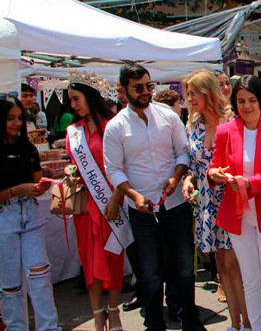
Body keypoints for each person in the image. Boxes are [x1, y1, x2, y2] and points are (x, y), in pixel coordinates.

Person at [103, 63, 204, 331]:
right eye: (139, 88)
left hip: (176, 205)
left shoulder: (168, 117)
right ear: (124, 90)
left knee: (183, 269)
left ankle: (190, 321)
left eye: (149, 86)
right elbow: (113, 168)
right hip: (143, 210)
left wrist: (175, 177)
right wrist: (134, 195)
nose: (146, 92)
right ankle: (155, 324)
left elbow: (183, 153)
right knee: (150, 274)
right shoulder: (115, 127)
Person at [208, 75, 261, 331]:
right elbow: (214, 166)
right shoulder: (225, 131)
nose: (246, 106)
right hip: (237, 215)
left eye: (252, 100)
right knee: (250, 279)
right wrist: (214, 175)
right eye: (241, 101)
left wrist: (248, 184)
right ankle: (255, 327)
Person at [179, 70, 248, 330]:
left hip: (230, 198)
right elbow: (194, 165)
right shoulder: (193, 124)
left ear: (208, 92)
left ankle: (249, 323)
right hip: (207, 202)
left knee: (234, 265)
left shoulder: (232, 120)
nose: (189, 98)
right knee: (222, 266)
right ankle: (235, 322)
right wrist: (188, 179)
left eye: (194, 92)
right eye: (187, 93)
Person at [66, 72, 131, 331]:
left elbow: (122, 164)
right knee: (90, 260)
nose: (73, 105)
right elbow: (75, 166)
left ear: (90, 97)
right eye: (70, 100)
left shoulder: (111, 125)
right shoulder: (74, 132)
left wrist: (116, 197)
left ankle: (113, 310)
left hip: (110, 203)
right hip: (86, 206)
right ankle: (96, 315)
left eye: (76, 98)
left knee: (112, 257)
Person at [0, 97, 59, 331]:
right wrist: (19, 190)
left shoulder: (29, 148)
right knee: (10, 284)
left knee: (40, 276)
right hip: (5, 218)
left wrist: (41, 186)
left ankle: (49, 327)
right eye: (10, 118)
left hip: (30, 214)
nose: (16, 124)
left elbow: (36, 182)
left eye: (19, 118)